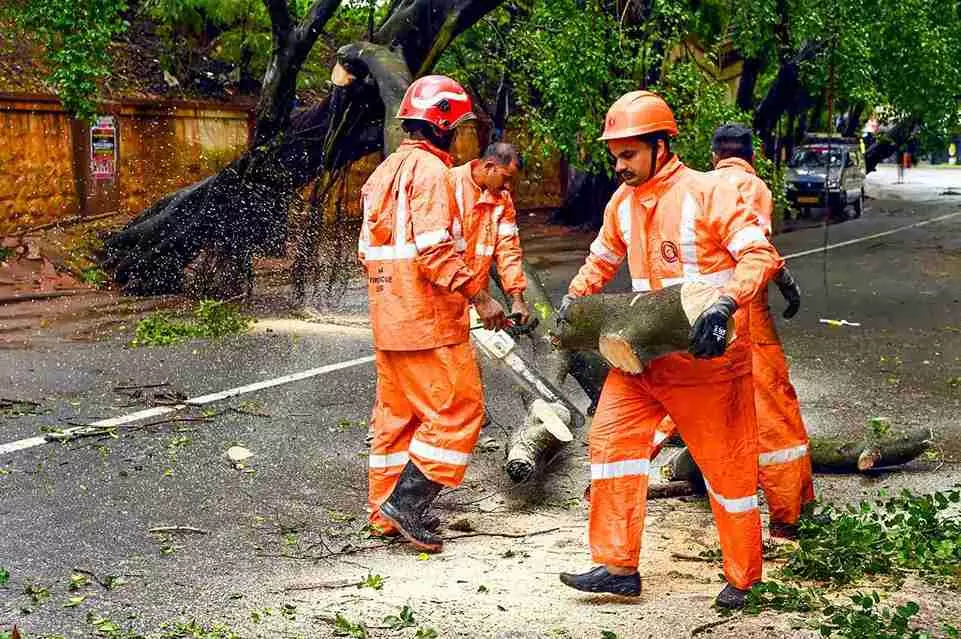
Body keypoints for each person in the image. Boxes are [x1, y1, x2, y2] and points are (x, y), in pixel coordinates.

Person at [556, 91, 783, 609]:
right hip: (643, 359)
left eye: (629, 154)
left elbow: (758, 254)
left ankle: (745, 577)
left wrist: (725, 305)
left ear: (661, 146)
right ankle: (616, 566)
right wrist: (573, 305)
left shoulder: (708, 193)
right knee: (610, 443)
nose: (620, 166)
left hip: (708, 360)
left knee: (726, 468)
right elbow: (599, 262)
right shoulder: (621, 204)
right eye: (615, 155)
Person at [358, 75, 507, 553]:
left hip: (389, 319)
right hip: (429, 321)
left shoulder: (379, 175)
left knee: (397, 419)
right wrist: (480, 297)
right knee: (460, 410)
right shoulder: (432, 174)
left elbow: (368, 253)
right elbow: (435, 250)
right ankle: (408, 504)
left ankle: (384, 513)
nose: (461, 134)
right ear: (442, 124)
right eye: (459, 125)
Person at [648, 124, 814, 540]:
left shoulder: (695, 185)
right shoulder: (752, 186)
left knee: (674, 396)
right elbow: (755, 249)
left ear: (714, 153)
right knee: (773, 409)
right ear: (752, 154)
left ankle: (616, 484)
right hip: (742, 309)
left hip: (693, 307)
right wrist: (785, 282)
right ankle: (788, 513)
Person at [450, 143, 530, 323]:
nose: (508, 187)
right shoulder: (448, 183)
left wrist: (517, 297)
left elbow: (508, 250)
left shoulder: (503, 200)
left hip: (478, 299)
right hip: (443, 298)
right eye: (506, 178)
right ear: (489, 167)